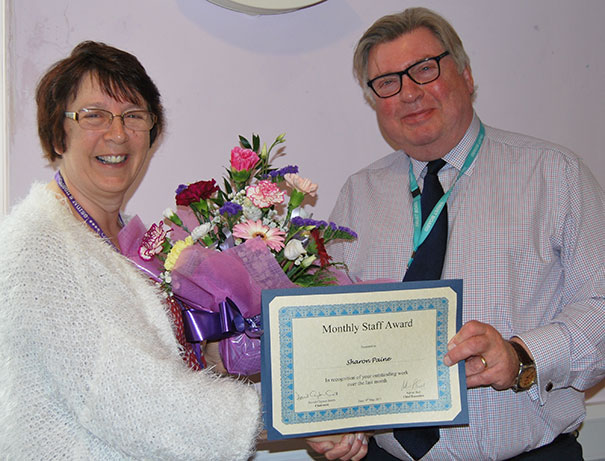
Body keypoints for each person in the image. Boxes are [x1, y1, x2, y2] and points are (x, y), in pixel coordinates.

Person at [311, 7, 605, 461]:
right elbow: (328, 330)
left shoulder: (554, 174)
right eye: (387, 82)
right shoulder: (358, 195)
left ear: (466, 75)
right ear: (375, 102)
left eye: (424, 69)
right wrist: (329, 417)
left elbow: (602, 307)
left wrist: (522, 356)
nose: (408, 93)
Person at [0, 41, 261, 460]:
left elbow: (160, 358)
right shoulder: (38, 246)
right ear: (58, 132)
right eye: (94, 115)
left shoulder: (135, 243)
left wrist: (229, 350)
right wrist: (282, 417)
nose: (118, 133)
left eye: (134, 116)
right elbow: (139, 405)